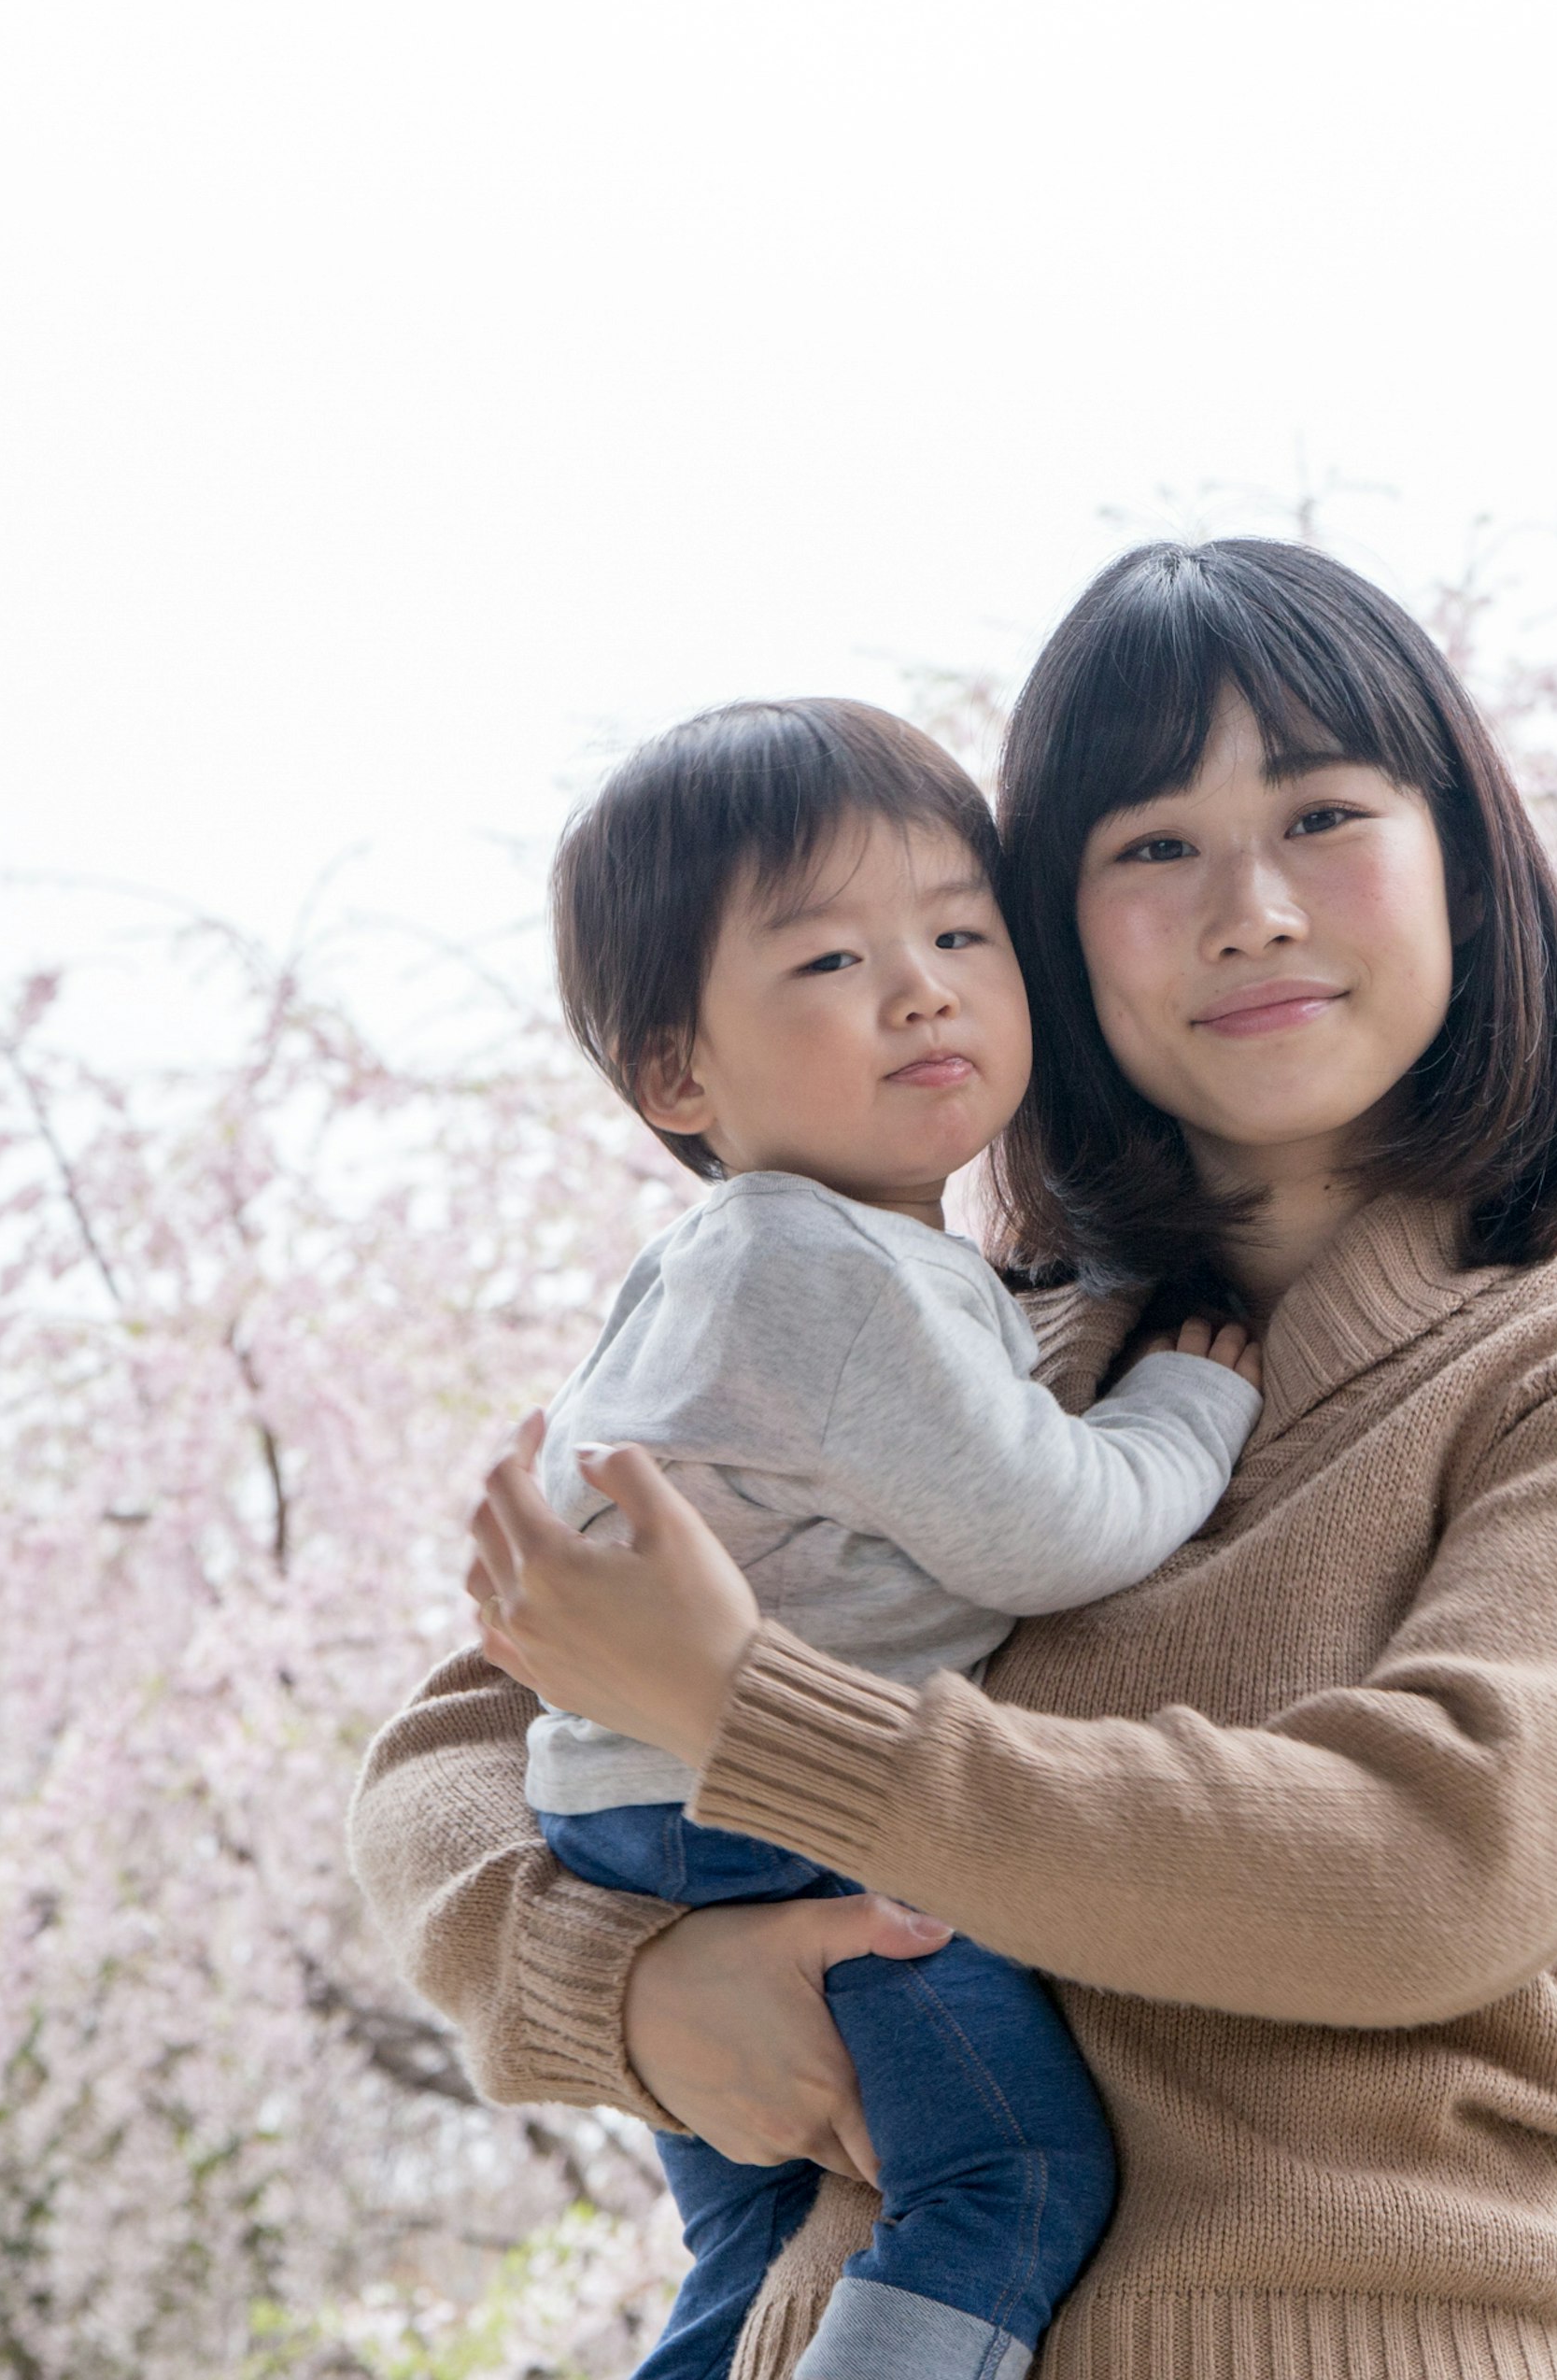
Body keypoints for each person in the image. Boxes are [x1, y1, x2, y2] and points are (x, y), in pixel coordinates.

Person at [357, 538, 1557, 2380]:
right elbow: (458, 1745)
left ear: (1466, 862)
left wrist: (757, 1716)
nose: (1252, 907)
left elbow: (1432, 1859)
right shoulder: (949, 1343)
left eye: (1323, 811)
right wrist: (634, 1986)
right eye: (1152, 848)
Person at [510, 696, 1267, 2380]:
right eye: (828, 962)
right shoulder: (826, 1274)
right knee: (1011, 2173)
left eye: (956, 931)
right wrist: (1184, 1413)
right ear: (673, 1070)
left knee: (761, 2237)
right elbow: (1054, 1535)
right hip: (772, 1831)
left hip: (645, 1822)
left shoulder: (756, 1258)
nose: (921, 986)